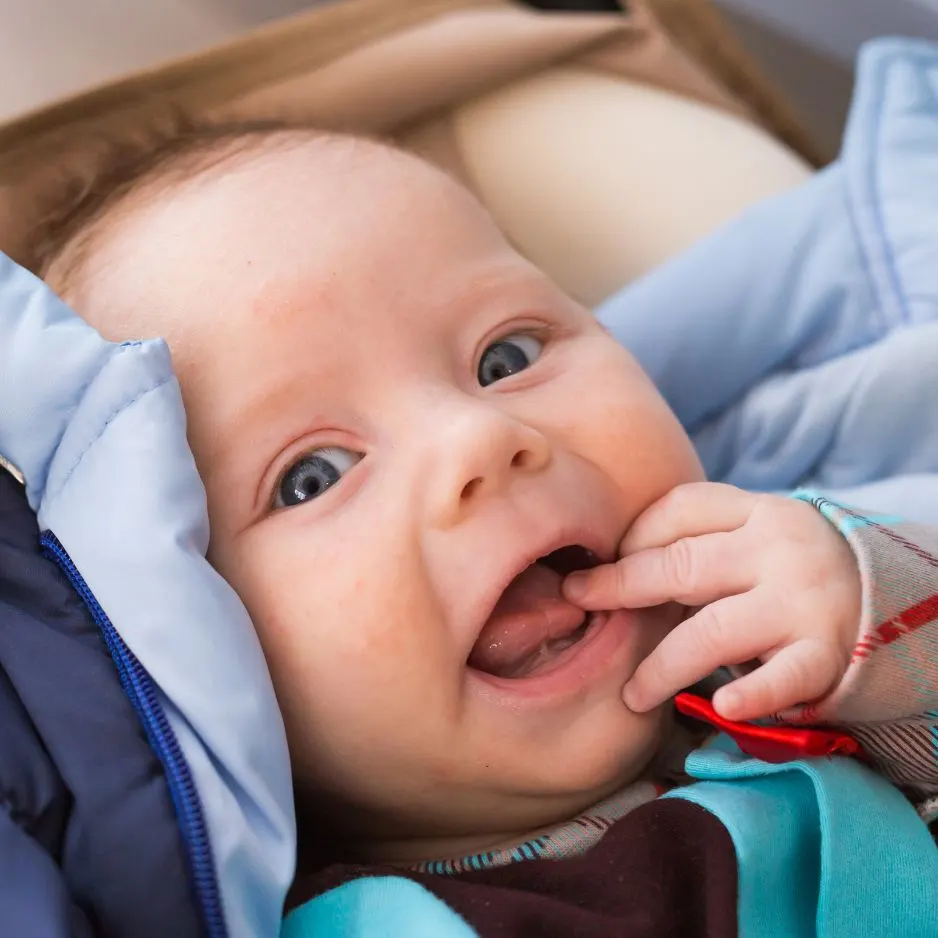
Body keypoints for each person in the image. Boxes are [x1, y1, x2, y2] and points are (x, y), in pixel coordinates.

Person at [25, 119, 938, 934]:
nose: (482, 439)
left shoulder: (801, 610)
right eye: (311, 477)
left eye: (507, 356)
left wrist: (879, 611)